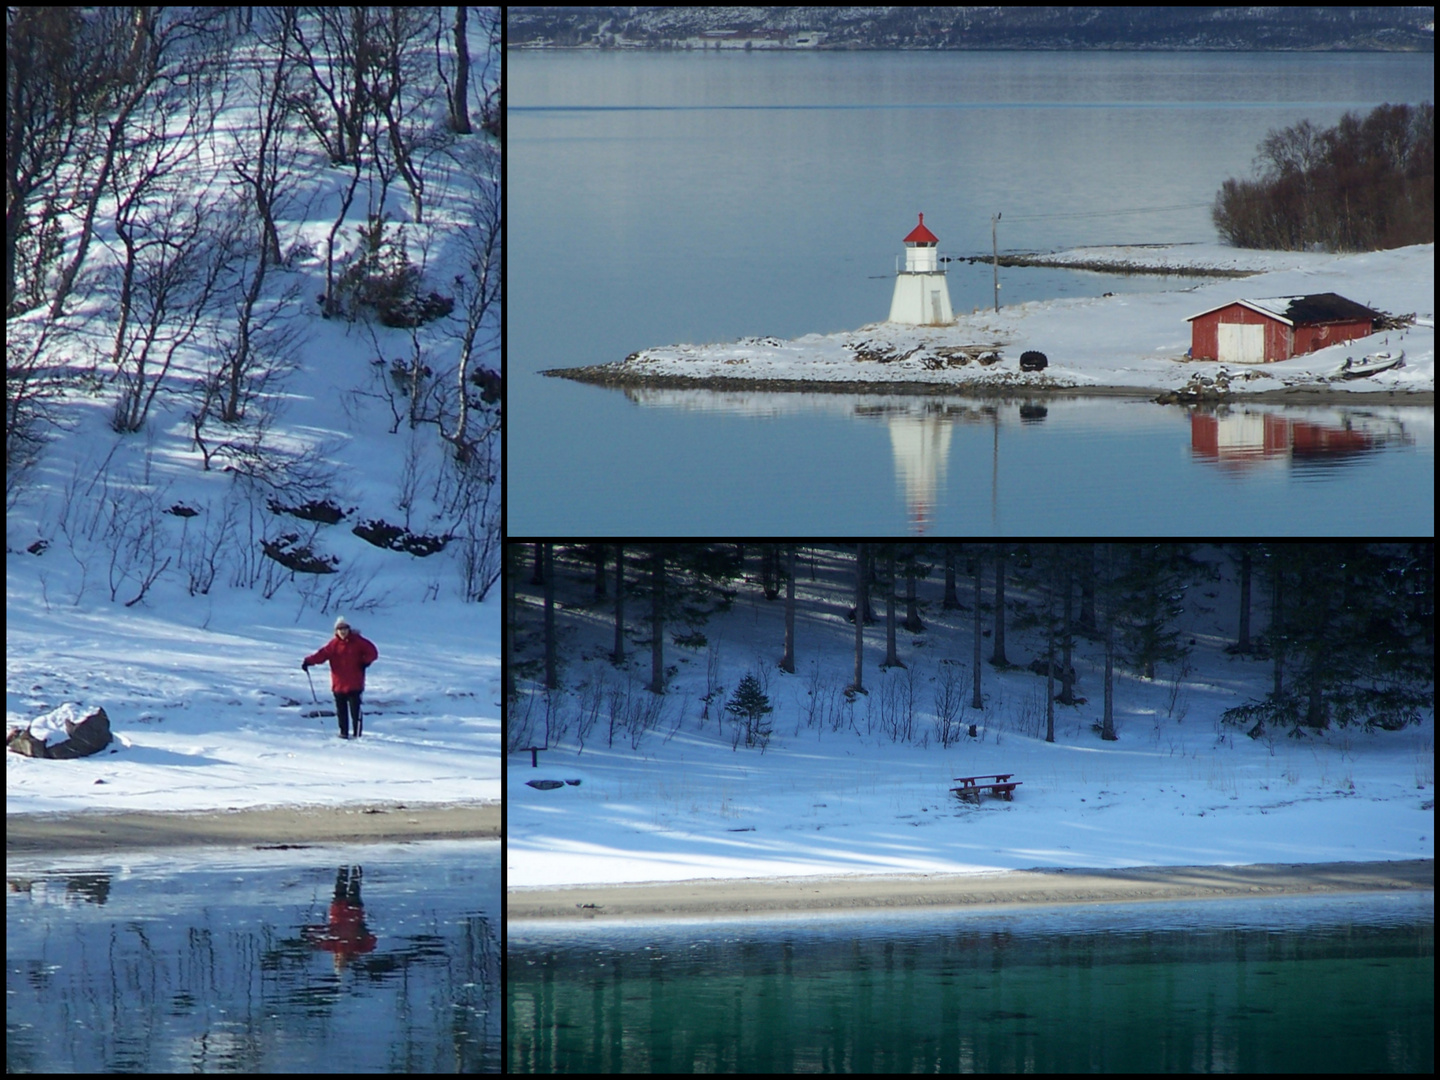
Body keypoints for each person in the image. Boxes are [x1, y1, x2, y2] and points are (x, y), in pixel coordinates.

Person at [303, 616, 378, 739]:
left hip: (355, 683)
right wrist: (308, 661)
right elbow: (321, 655)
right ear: (336, 631)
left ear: (349, 629)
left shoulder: (358, 641)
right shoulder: (334, 644)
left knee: (355, 710)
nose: (342, 632)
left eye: (345, 628)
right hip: (338, 684)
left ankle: (357, 733)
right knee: (341, 711)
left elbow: (373, 652)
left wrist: (365, 662)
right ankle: (343, 733)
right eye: (340, 629)